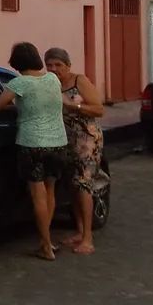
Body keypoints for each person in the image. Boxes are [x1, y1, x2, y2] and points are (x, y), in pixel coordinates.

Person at [0, 42, 69, 261]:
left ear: (17, 63)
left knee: (37, 196)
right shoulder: (52, 79)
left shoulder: (19, 83)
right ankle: (45, 241)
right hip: (58, 141)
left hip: (32, 143)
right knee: (50, 192)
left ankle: (46, 246)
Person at [44, 47, 105, 255]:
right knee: (71, 184)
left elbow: (98, 108)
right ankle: (79, 231)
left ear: (68, 66)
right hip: (63, 139)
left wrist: (73, 106)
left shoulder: (80, 81)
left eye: (58, 65)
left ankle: (88, 237)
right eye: (50, 65)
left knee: (83, 183)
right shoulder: (49, 84)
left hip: (86, 138)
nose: (53, 69)